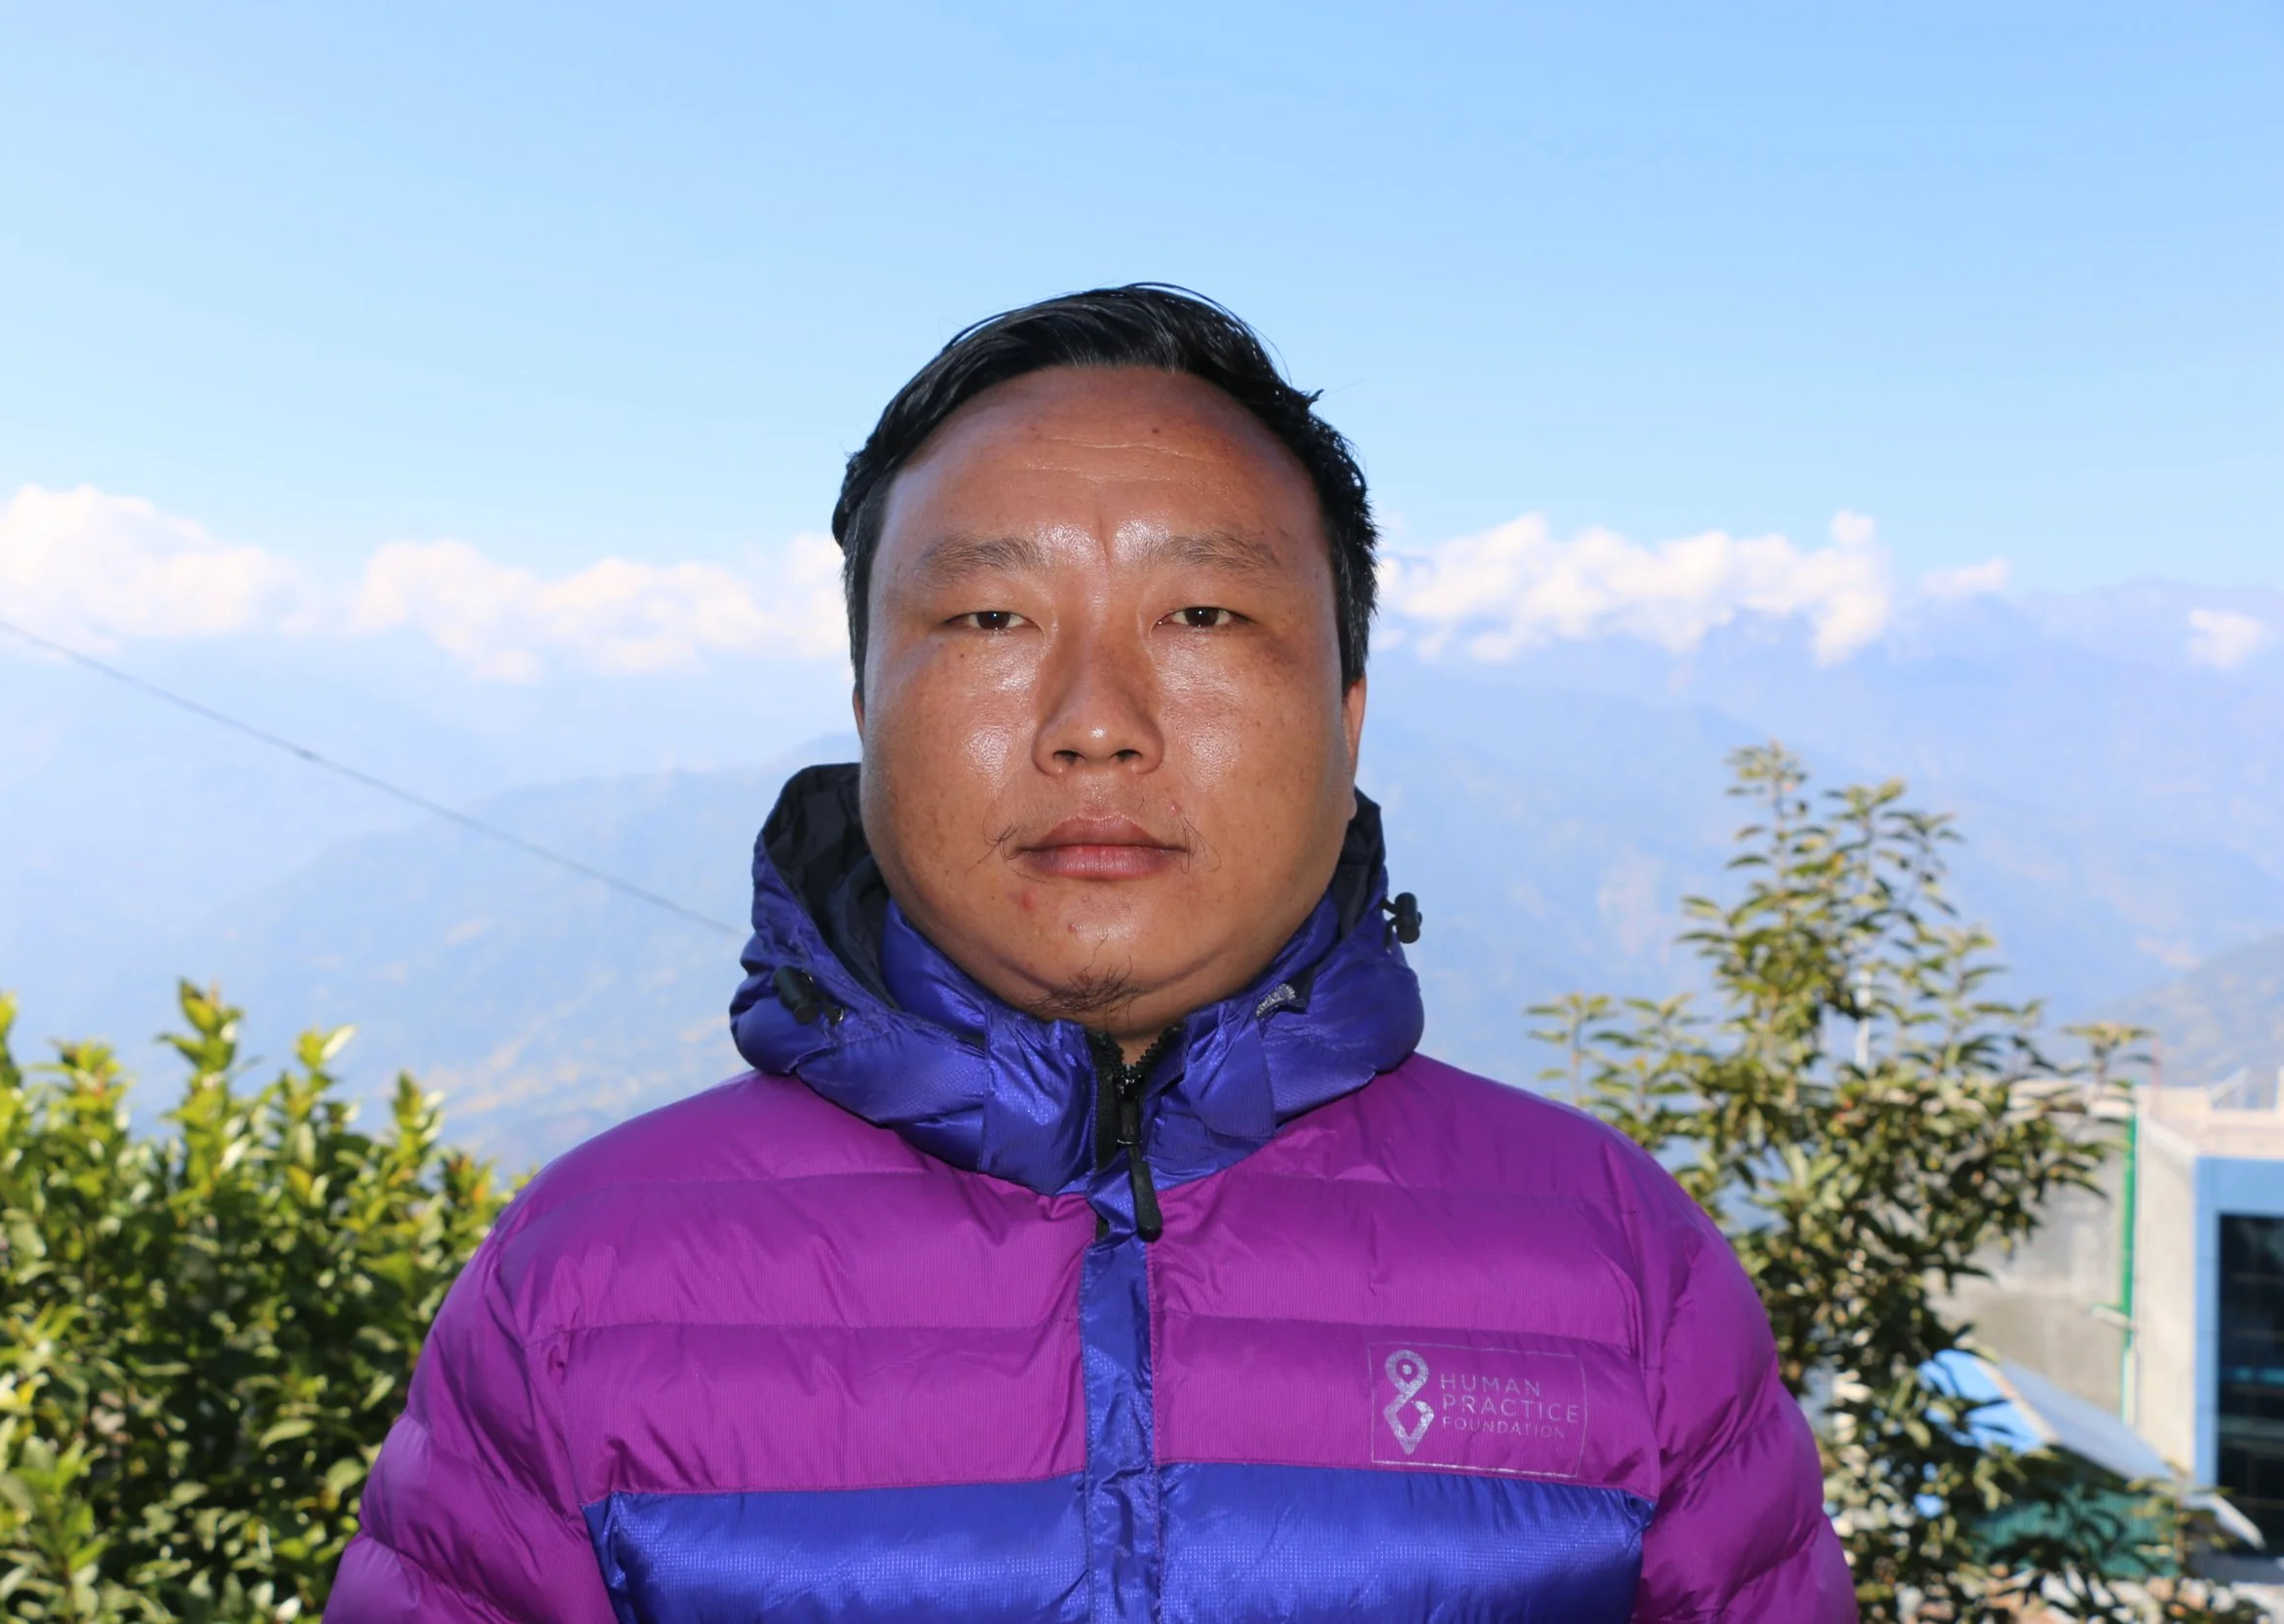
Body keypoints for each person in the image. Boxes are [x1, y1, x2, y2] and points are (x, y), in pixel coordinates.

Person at [326, 285, 1853, 1623]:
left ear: (1349, 711)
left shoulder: (1618, 1275)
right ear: (864, 705)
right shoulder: (582, 1289)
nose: (1097, 721)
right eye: (992, 616)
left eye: (1205, 612)